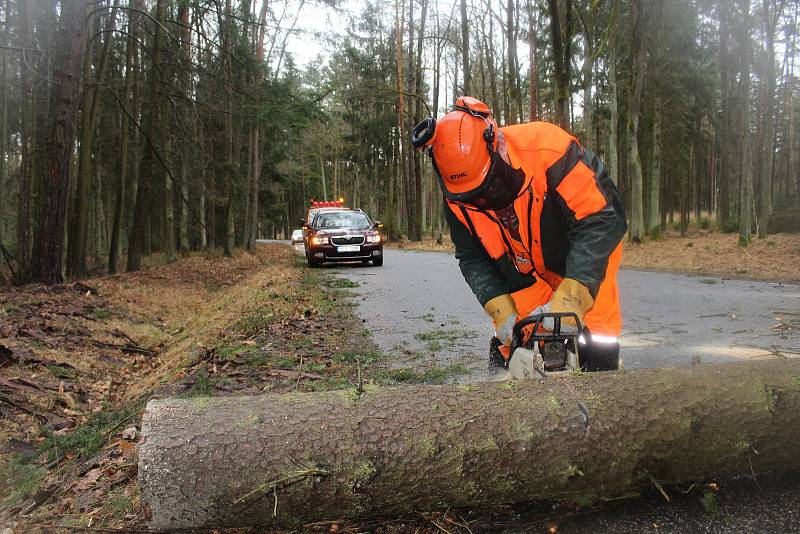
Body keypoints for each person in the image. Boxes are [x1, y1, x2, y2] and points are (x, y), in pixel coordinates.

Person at [411, 96, 626, 371]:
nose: (481, 201)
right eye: (474, 195)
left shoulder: (549, 150)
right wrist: (500, 310)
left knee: (597, 336)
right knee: (518, 341)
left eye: (485, 189)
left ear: (497, 143)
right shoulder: (457, 195)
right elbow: (472, 257)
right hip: (522, 272)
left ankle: (606, 388)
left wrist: (573, 295)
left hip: (582, 257)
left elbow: (604, 216)